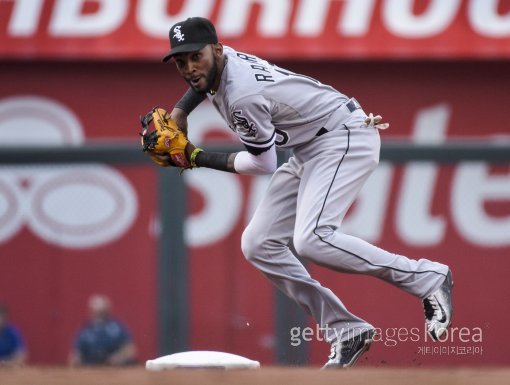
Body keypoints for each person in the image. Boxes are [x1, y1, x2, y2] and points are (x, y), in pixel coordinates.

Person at [152, 17, 453, 368]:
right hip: (310, 146)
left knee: (312, 239)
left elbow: (263, 165)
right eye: (181, 61)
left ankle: (426, 276)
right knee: (258, 243)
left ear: (216, 50)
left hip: (344, 138)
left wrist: (195, 157)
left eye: (195, 57)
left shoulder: (243, 97)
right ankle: (346, 330)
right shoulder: (223, 59)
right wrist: (180, 110)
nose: (189, 68)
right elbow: (203, 79)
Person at [69, 294, 136, 366]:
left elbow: (130, 349)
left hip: (114, 369)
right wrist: (76, 361)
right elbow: (75, 354)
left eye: (101, 312)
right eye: (96, 312)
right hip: (90, 370)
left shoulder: (117, 328)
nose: (99, 316)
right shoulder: (84, 331)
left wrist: (119, 357)